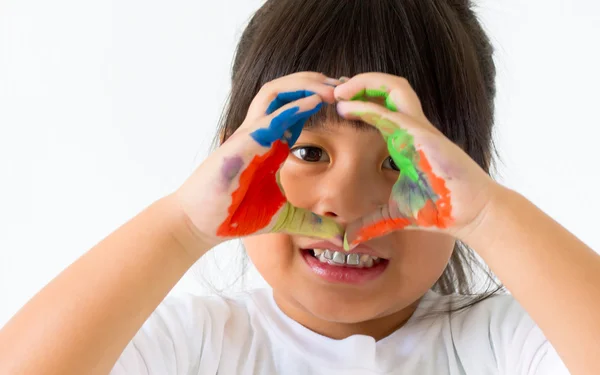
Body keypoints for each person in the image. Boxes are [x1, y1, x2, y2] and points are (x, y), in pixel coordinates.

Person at [0, 0, 598, 374]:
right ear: (233, 157)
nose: (345, 202)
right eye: (308, 151)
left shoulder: (504, 343)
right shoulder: (195, 345)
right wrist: (181, 226)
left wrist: (488, 216)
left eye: (398, 160)